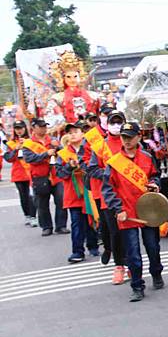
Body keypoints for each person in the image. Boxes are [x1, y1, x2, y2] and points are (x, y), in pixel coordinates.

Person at [103, 122, 164, 302]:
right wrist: (118, 208)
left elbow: (156, 175)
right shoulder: (114, 163)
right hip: (127, 212)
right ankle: (137, 285)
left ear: (138, 137)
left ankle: (156, 272)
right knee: (133, 252)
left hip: (148, 210)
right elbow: (108, 189)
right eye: (124, 137)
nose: (127, 141)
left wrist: (155, 184)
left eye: (130, 137)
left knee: (153, 246)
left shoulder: (146, 157)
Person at [86, 109, 128, 284]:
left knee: (130, 233)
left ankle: (132, 264)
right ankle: (119, 266)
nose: (116, 126)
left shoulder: (131, 142)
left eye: (120, 122)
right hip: (109, 196)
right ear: (107, 124)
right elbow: (92, 169)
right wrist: (109, 174)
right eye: (114, 122)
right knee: (115, 233)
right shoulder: (101, 146)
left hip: (129, 195)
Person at [56, 121, 99, 262]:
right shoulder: (62, 154)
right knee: (76, 223)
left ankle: (93, 246)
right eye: (70, 132)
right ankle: (77, 251)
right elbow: (60, 174)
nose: (72, 135)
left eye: (76, 131)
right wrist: (69, 166)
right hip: (73, 194)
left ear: (83, 133)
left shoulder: (91, 150)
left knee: (91, 219)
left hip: (90, 192)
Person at [23, 118, 68, 236]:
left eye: (45, 126)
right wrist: (45, 154)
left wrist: (58, 148)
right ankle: (46, 227)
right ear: (34, 128)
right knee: (42, 203)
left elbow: (62, 154)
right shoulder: (28, 144)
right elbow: (29, 159)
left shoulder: (52, 140)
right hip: (39, 176)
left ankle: (61, 225)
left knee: (61, 199)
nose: (44, 128)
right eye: (41, 126)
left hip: (55, 175)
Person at [3, 120, 36, 226]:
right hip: (18, 173)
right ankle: (27, 215)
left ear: (25, 128)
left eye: (21, 128)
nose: (19, 131)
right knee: (23, 196)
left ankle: (33, 216)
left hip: (31, 172)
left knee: (32, 195)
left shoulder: (31, 140)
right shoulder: (11, 143)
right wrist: (16, 149)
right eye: (17, 128)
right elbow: (8, 158)